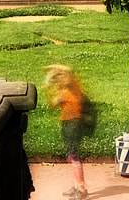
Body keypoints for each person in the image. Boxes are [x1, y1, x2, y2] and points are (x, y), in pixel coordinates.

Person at [43, 65, 90, 200]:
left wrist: (51, 68)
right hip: (67, 124)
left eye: (59, 77)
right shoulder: (62, 91)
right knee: (72, 155)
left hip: (74, 124)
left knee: (74, 156)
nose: (58, 80)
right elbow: (53, 104)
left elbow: (68, 71)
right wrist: (47, 88)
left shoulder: (73, 86)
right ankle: (76, 186)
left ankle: (81, 189)